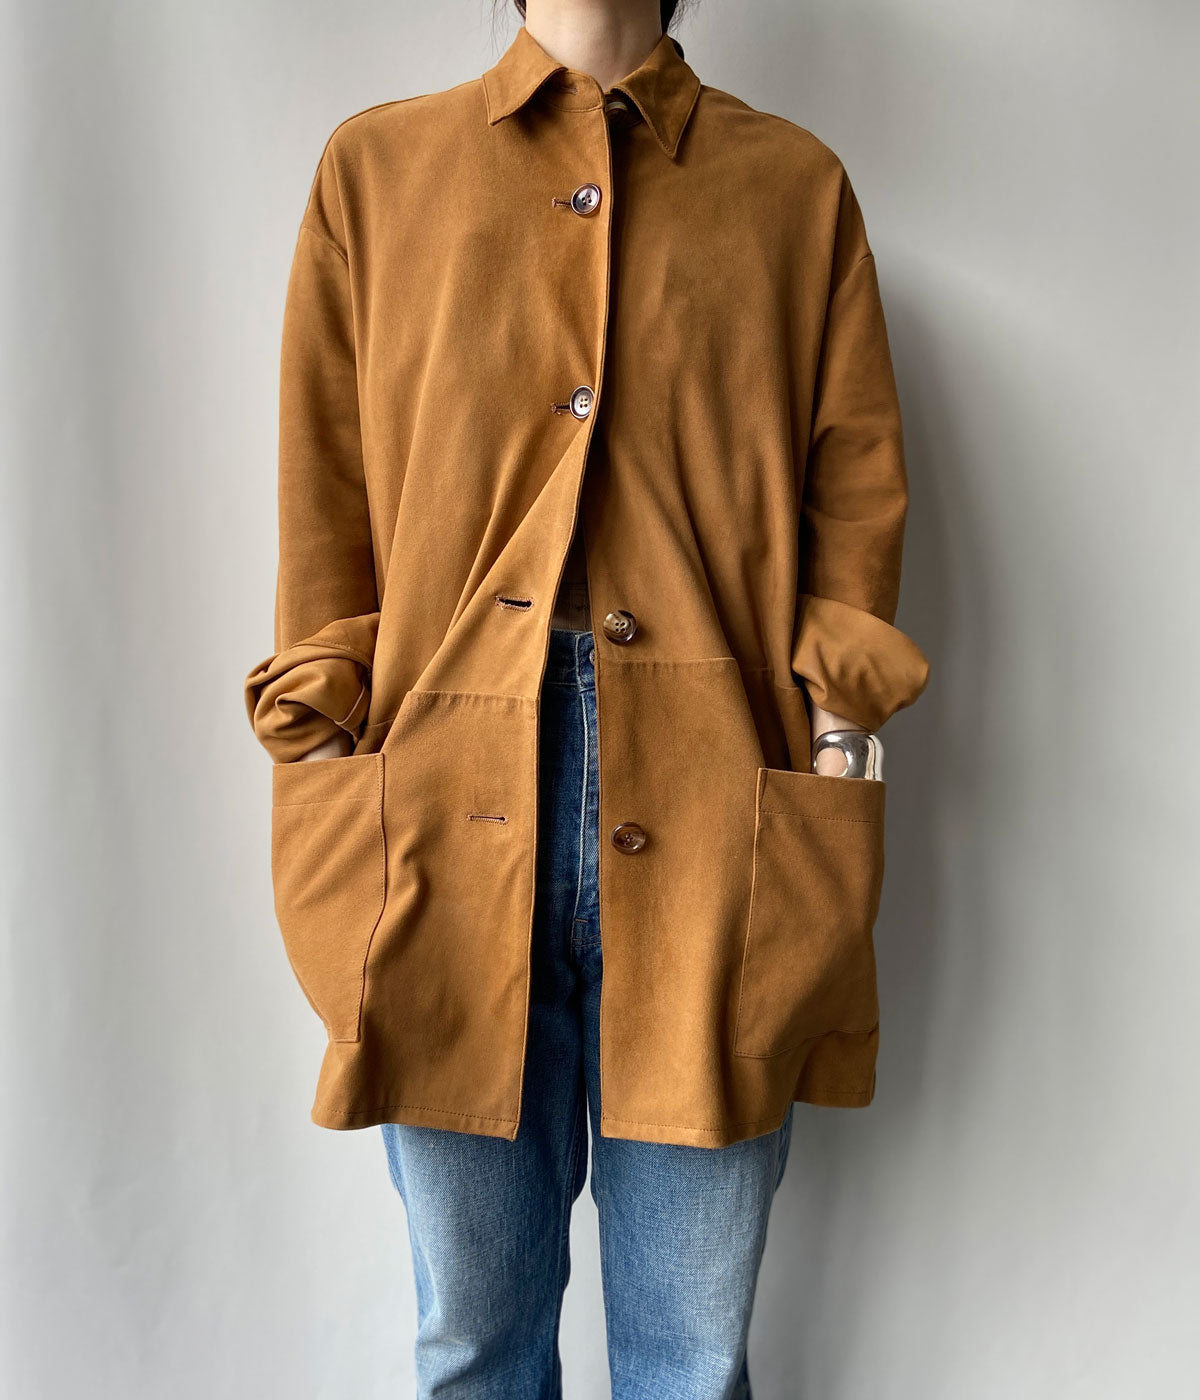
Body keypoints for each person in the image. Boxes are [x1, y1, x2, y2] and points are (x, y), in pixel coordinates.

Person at [243, 0, 930, 1393]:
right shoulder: (378, 171)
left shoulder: (793, 187)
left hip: (724, 797)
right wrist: (321, 741)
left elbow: (854, 497)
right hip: (438, 800)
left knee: (692, 1357)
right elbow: (327, 497)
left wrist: (840, 743)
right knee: (473, 1348)